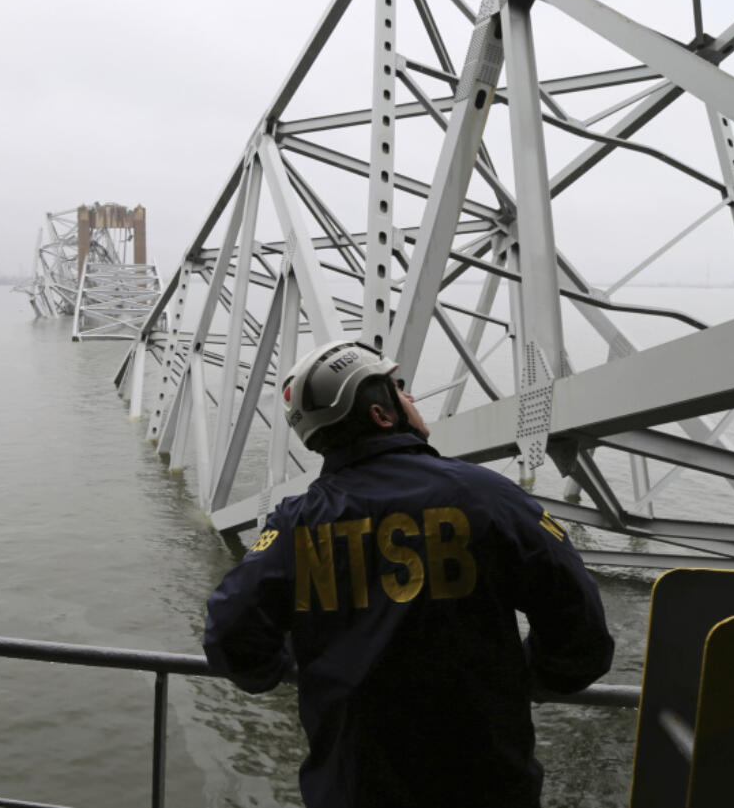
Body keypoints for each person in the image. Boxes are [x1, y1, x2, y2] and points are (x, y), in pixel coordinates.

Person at [203, 339, 614, 808]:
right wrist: (529, 680)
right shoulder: (488, 497)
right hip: (486, 786)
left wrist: (287, 670)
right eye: (399, 389)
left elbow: (230, 635)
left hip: (353, 789)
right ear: (381, 416)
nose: (411, 397)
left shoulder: (294, 525)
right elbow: (580, 630)